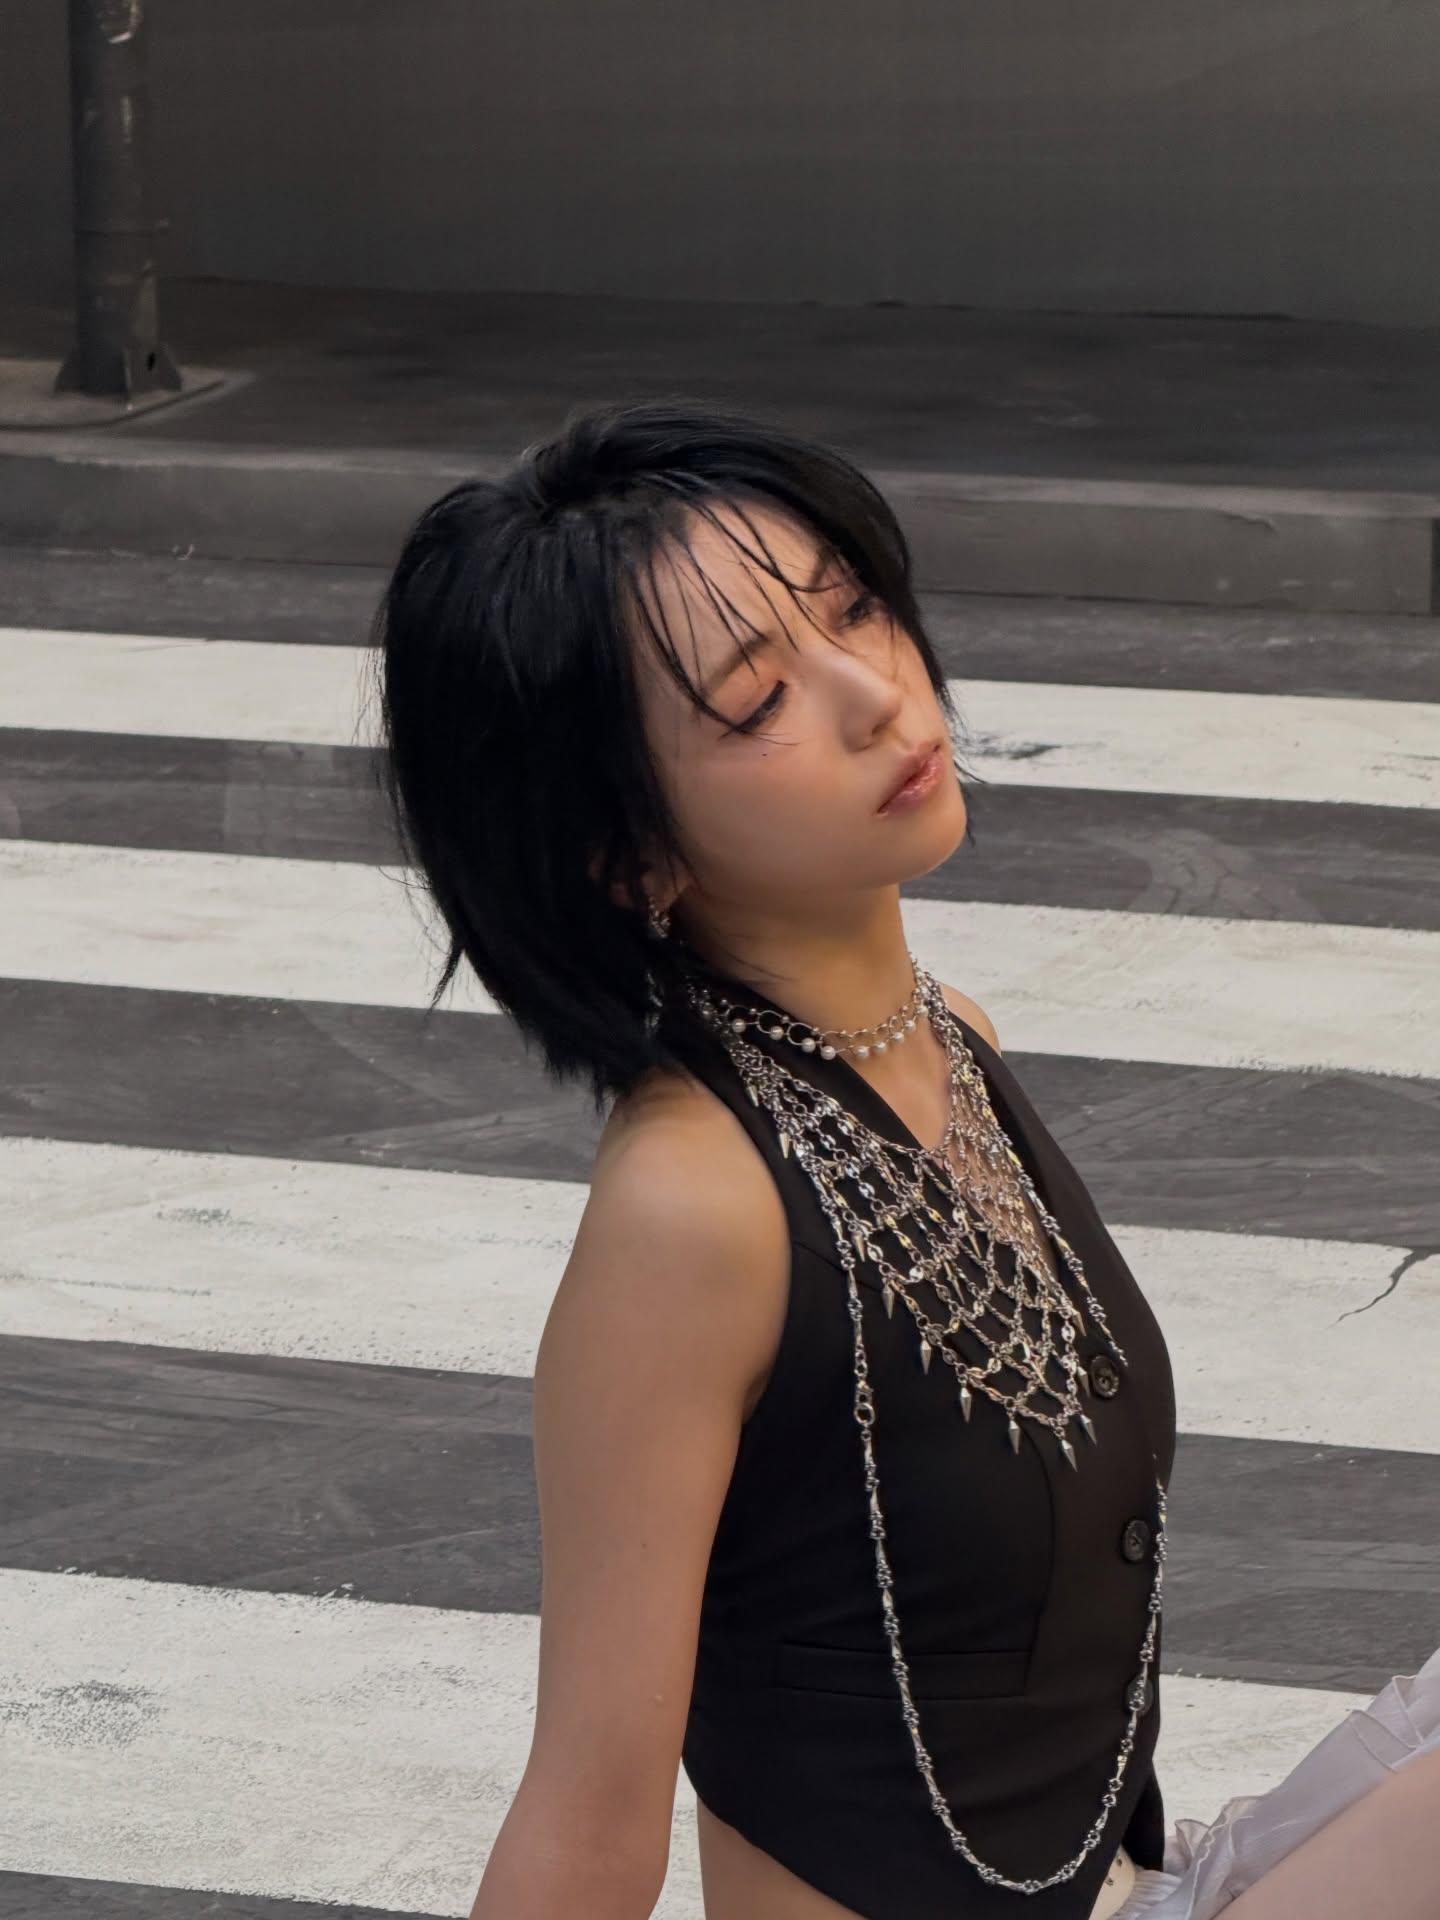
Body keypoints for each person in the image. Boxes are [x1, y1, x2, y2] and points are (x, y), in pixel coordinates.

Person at [370, 400, 1440, 1920]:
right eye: (758, 698)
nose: (877, 693)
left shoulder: (950, 1042)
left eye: (855, 607)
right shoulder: (697, 1207)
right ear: (625, 851)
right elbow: (588, 1821)